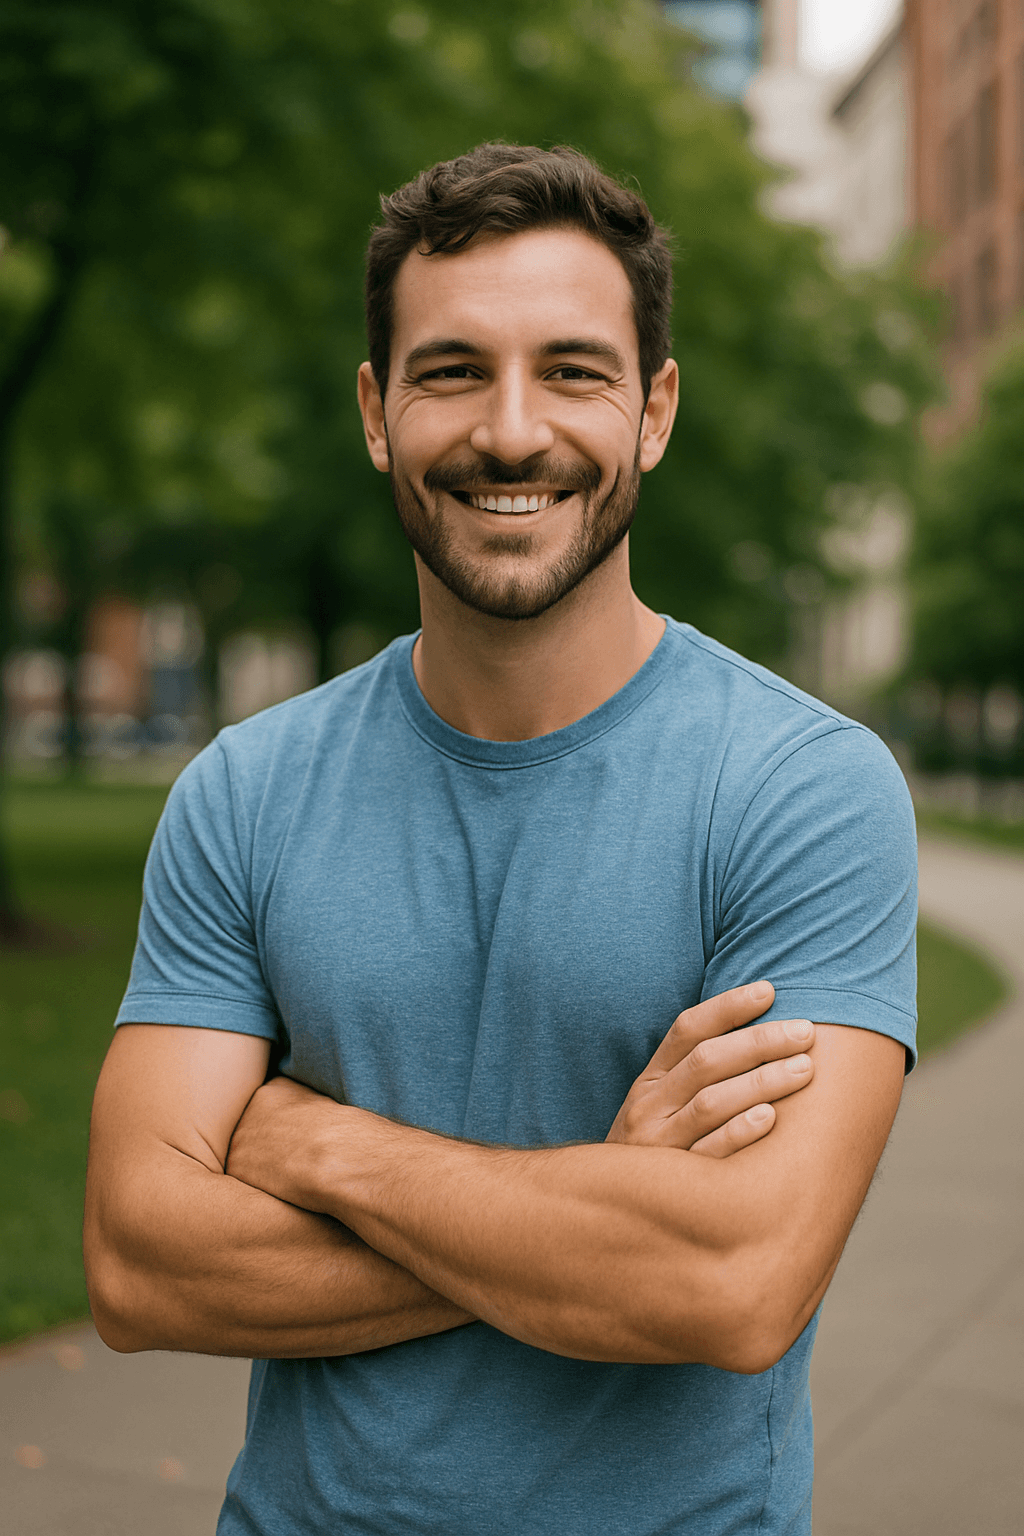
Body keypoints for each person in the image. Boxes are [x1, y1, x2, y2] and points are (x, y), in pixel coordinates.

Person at [84, 144, 917, 1535]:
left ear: (653, 411)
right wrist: (601, 1205)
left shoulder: (799, 788)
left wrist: (324, 1150)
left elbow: (734, 1284)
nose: (513, 432)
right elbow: (136, 1264)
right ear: (376, 410)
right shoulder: (245, 790)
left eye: (574, 371)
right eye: (453, 369)